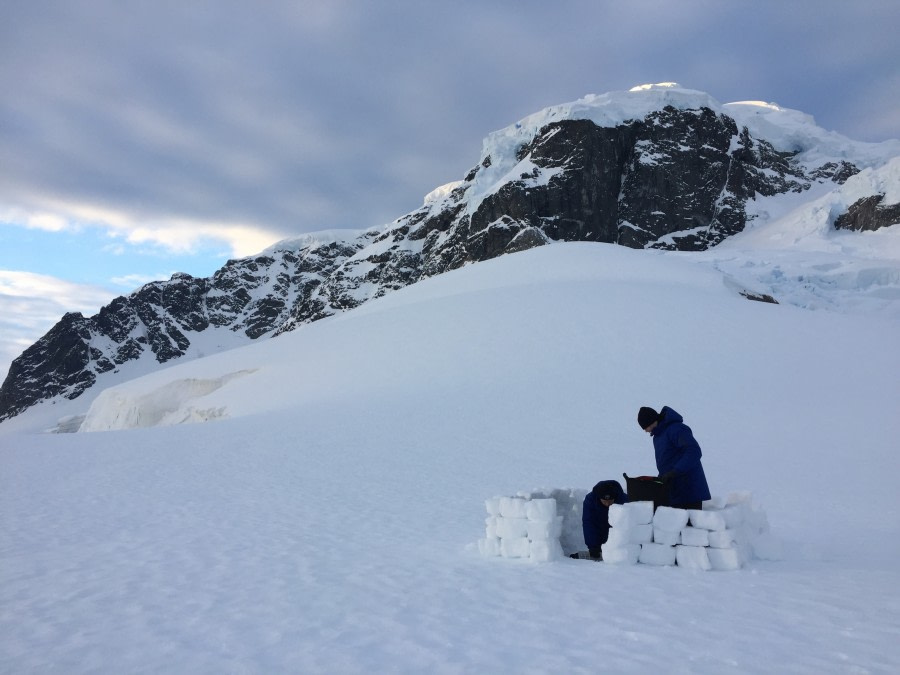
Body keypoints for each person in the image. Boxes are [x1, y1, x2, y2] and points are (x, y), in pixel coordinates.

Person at [637, 406, 711, 510]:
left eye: (646, 427)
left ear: (652, 420)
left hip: (689, 490)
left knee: (690, 526)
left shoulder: (676, 429)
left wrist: (675, 471)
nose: (645, 430)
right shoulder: (657, 437)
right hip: (673, 490)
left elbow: (694, 451)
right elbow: (666, 461)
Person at [576, 479, 627, 560]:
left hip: (618, 539)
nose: (607, 504)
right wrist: (593, 547)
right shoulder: (590, 500)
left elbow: (627, 526)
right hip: (600, 529)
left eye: (610, 501)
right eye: (604, 501)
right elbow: (589, 523)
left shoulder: (624, 500)